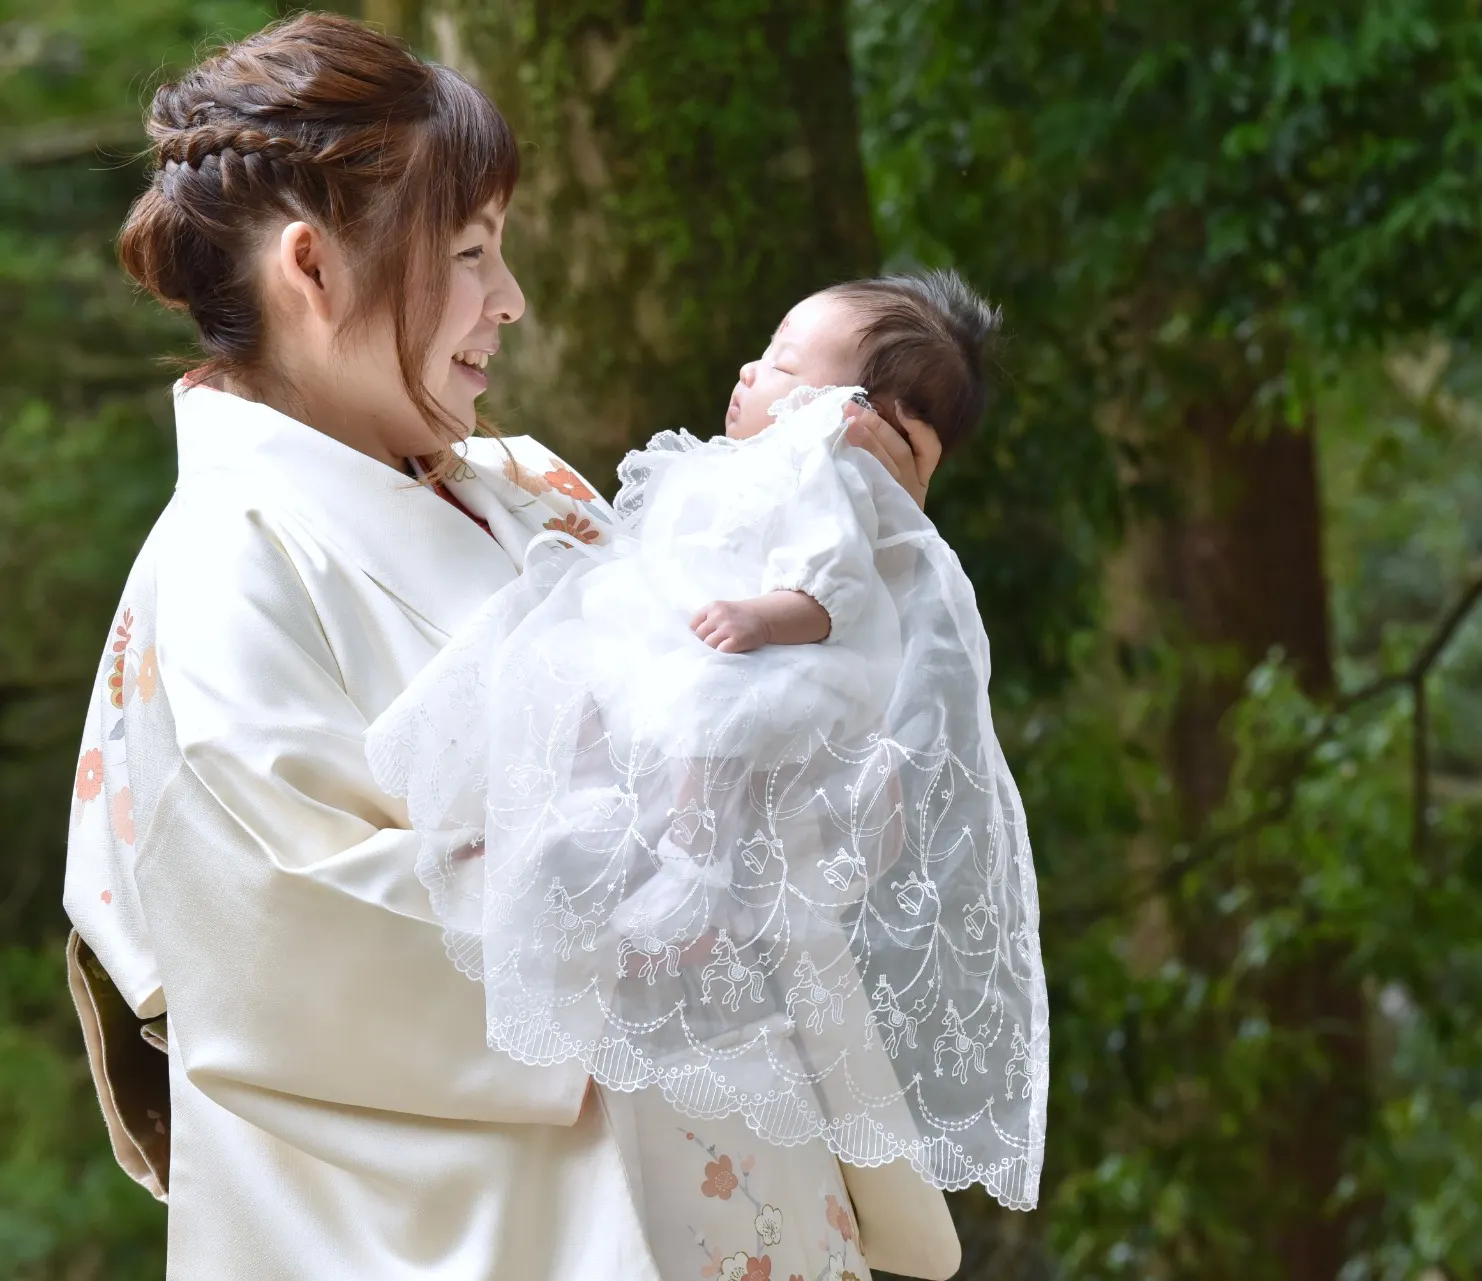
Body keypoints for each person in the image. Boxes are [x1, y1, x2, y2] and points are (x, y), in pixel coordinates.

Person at [61, 13, 958, 1280]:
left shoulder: (532, 489)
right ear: (312, 269)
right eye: (472, 252)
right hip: (513, 1223)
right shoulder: (221, 564)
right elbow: (289, 938)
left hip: (736, 1173)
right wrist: (665, 886)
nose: (511, 301)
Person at [365, 272, 1050, 1225]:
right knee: (593, 680)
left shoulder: (825, 475)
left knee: (698, 740)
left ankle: (681, 874)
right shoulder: (727, 470)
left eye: (779, 363)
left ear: (854, 414)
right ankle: (590, 854)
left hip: (778, 668)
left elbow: (831, 587)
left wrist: (762, 612)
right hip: (717, 656)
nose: (747, 368)